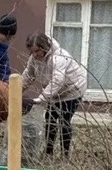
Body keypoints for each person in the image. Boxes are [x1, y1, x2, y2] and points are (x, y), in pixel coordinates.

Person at [23, 33, 92, 163]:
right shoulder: (33, 59)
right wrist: (17, 90)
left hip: (72, 90)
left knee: (64, 121)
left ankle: (65, 156)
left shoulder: (59, 57)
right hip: (54, 93)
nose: (35, 54)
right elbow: (28, 75)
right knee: (50, 120)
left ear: (44, 46)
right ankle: (48, 153)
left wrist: (41, 98)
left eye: (37, 51)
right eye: (32, 52)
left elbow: (57, 81)